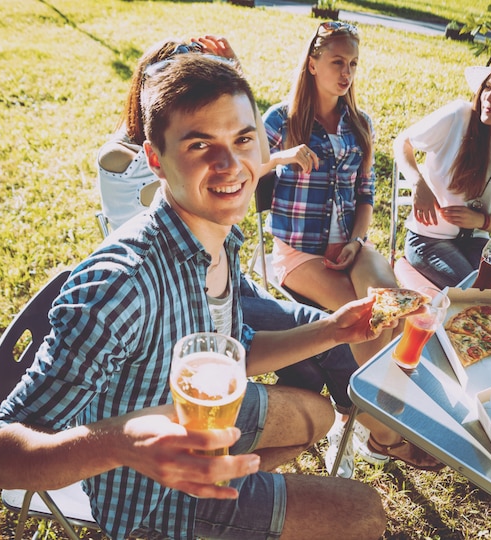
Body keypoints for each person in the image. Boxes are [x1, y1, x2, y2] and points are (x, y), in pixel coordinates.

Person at [0, 54, 388, 540]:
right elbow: (4, 456)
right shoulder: (121, 285)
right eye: (201, 144)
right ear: (156, 160)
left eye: (242, 139)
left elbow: (235, 348)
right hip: (148, 492)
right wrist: (122, 444)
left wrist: (333, 330)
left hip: (202, 419)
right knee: (366, 513)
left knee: (318, 416)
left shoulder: (220, 236)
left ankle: (241, 506)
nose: (231, 165)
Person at [97, 35, 359, 415]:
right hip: (181, 295)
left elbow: (257, 156)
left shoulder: (203, 151)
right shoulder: (121, 156)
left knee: (319, 337)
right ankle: (354, 426)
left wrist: (236, 81)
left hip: (222, 274)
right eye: (186, 80)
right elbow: (188, 179)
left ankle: (326, 421)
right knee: (311, 361)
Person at [261, 21, 443, 476]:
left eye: (354, 64)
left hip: (352, 247)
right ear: (313, 63)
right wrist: (283, 156)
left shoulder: (360, 124)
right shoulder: (280, 120)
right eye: (338, 62)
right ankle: (374, 429)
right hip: (297, 252)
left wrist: (358, 241)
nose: (347, 73)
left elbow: (366, 193)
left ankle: (363, 419)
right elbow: (245, 167)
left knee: (395, 308)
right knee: (364, 319)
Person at [393, 49, 491, 289]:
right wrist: (418, 183)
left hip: (478, 244)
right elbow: (402, 142)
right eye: (488, 87)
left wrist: (481, 220)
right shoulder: (459, 116)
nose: (490, 97)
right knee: (479, 294)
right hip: (427, 240)